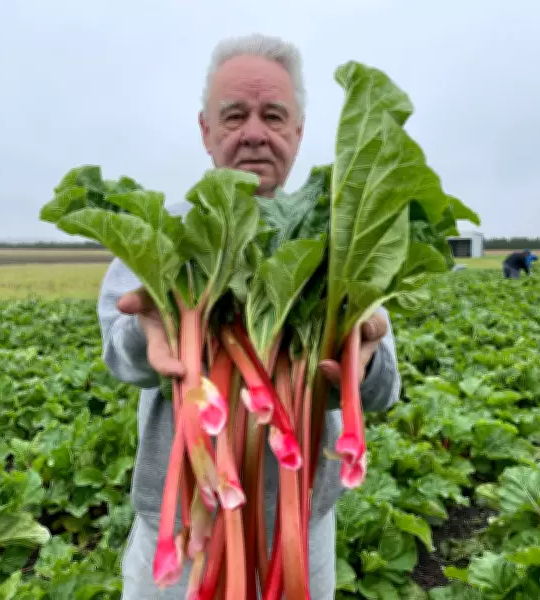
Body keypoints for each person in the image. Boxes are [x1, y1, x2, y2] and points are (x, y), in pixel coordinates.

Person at [97, 34, 402, 599]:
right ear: (205, 130)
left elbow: (384, 388)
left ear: (299, 131)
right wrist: (150, 331)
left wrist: (367, 356)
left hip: (300, 532)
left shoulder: (337, 241)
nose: (255, 133)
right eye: (234, 115)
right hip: (183, 533)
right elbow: (118, 351)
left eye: (274, 115)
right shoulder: (162, 232)